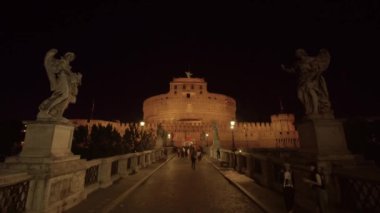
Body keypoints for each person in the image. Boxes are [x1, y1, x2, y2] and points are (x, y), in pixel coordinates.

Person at [281, 49, 332, 116]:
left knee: (311, 92)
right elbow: (293, 70)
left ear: (302, 53)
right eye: (296, 53)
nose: (297, 55)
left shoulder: (311, 60)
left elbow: (317, 67)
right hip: (302, 80)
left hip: (310, 79)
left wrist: (314, 71)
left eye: (298, 53)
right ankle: (308, 109)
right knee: (300, 95)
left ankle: (315, 110)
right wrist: (285, 69)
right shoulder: (298, 63)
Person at [37, 48, 82, 122]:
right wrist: (71, 74)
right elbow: (58, 69)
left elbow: (74, 79)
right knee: (64, 95)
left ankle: (58, 114)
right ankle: (46, 110)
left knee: (67, 98)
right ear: (66, 56)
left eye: (72, 57)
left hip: (67, 81)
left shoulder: (68, 66)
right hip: (62, 80)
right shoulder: (61, 62)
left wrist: (77, 78)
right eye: (69, 56)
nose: (70, 58)